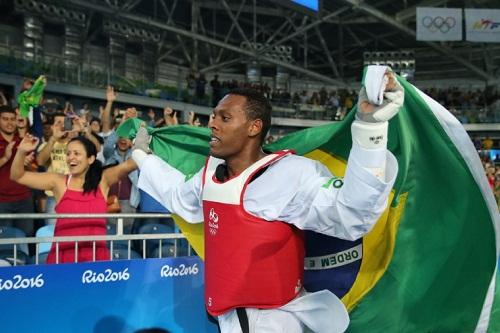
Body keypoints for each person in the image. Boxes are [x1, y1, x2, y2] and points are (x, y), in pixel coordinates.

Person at [130, 69, 402, 332]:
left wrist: (370, 127)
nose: (212, 123)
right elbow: (178, 195)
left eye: (224, 118)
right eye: (213, 116)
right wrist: (142, 156)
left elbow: (351, 215)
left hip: (272, 321)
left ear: (254, 127)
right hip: (229, 316)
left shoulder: (291, 174)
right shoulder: (210, 174)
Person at [11, 135, 137, 264]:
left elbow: (129, 165)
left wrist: (143, 142)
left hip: (95, 257)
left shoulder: (103, 180)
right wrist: (21, 151)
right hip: (64, 258)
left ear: (91, 159)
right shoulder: (57, 181)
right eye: (68, 153)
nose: (71, 157)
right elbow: (17, 176)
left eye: (77, 153)